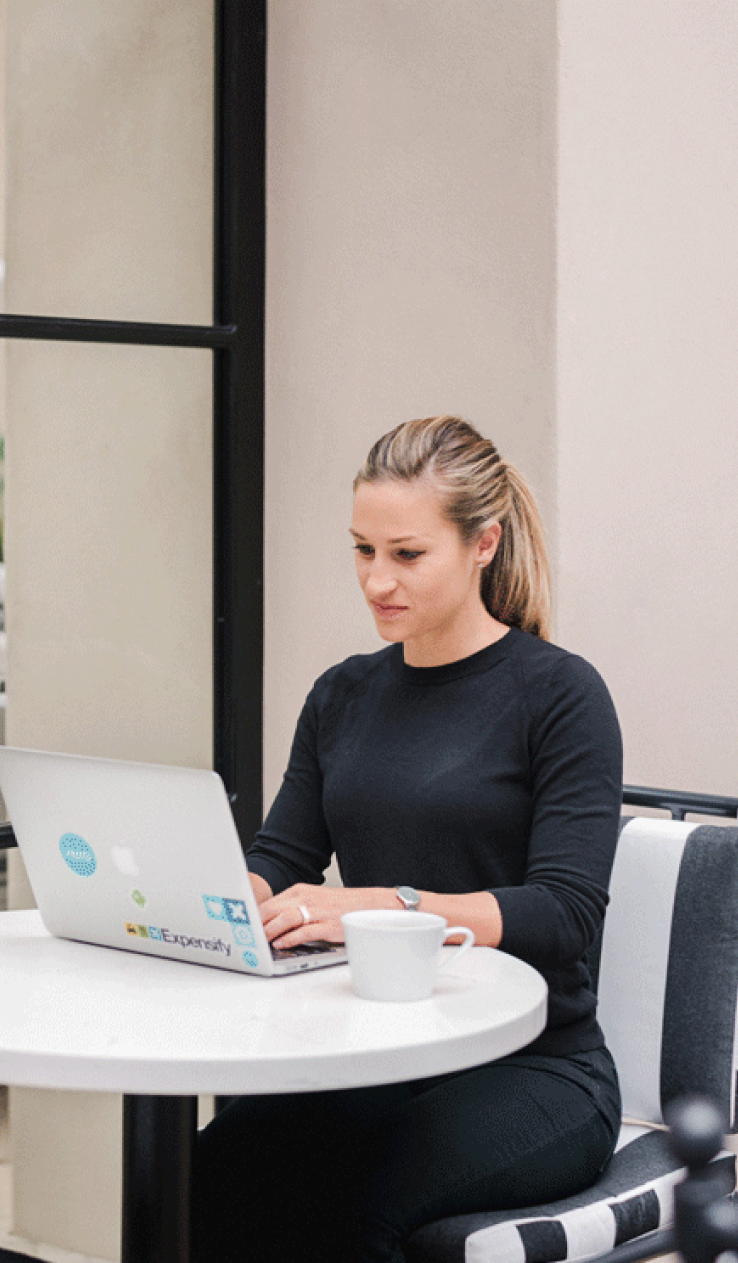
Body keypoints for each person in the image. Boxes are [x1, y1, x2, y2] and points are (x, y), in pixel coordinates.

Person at [192, 416, 623, 1261]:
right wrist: (232, 897)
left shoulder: (562, 695)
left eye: (406, 554)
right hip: (379, 1055)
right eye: (362, 550)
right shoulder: (342, 694)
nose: (376, 580)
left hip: (536, 1067)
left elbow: (566, 914)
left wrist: (374, 907)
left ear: (483, 543)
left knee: (354, 1208)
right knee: (209, 1171)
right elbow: (282, 856)